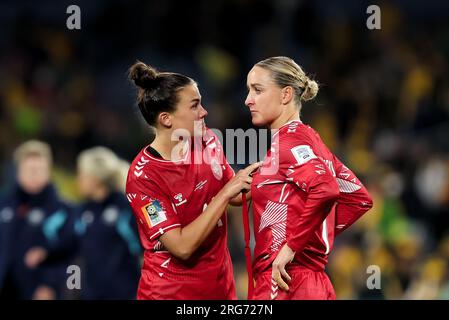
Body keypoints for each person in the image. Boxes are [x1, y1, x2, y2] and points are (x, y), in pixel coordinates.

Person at [126, 61, 260, 300]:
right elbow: (182, 247)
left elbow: (236, 191)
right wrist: (227, 193)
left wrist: (283, 174)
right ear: (167, 119)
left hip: (220, 287)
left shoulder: (207, 140)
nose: (204, 112)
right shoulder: (143, 177)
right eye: (195, 105)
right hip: (171, 294)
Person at [244, 56, 373, 300]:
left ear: (285, 95)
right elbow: (358, 197)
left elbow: (326, 189)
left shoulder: (289, 141)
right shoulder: (313, 141)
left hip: (284, 279)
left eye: (257, 90)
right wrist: (309, 239)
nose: (248, 100)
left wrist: (293, 246)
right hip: (315, 282)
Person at [0, 140, 77, 299]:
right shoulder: (4, 206)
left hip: (42, 292)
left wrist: (51, 285)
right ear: (18, 171)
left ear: (48, 171)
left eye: (39, 170)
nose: (34, 175)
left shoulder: (63, 210)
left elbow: (70, 255)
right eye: (29, 170)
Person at [74, 146, 142, 299]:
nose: (78, 180)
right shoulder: (82, 211)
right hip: (91, 296)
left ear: (95, 178)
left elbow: (144, 252)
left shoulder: (126, 208)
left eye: (82, 174)